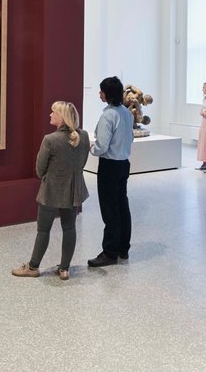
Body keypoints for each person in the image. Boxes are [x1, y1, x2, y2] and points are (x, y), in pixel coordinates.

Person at [12, 101, 90, 281]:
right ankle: (64, 269)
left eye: (53, 112)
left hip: (52, 191)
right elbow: (82, 163)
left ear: (62, 118)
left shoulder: (50, 140)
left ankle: (32, 267)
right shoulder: (84, 136)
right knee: (69, 228)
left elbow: (40, 170)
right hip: (73, 191)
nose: (50, 115)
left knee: (43, 230)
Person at [88, 76, 134, 268]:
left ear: (107, 94)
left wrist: (91, 149)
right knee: (122, 205)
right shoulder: (126, 113)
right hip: (123, 164)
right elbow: (129, 138)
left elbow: (102, 145)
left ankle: (109, 252)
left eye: (101, 91)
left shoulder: (108, 115)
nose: (99, 94)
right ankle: (123, 248)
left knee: (110, 210)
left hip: (109, 166)